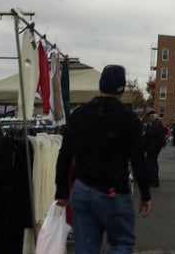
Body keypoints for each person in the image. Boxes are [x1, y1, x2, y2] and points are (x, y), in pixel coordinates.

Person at [54, 65, 152, 253]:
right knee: (121, 243)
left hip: (82, 187)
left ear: (100, 86)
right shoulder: (129, 120)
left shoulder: (79, 114)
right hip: (113, 190)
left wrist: (62, 189)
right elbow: (138, 160)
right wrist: (145, 194)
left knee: (86, 246)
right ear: (122, 89)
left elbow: (65, 153)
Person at [145, 110, 166, 187]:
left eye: (149, 118)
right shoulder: (157, 123)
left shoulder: (156, 124)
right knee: (152, 163)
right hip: (155, 146)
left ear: (152, 116)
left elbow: (153, 133)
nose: (149, 119)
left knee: (151, 163)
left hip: (154, 146)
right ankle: (153, 179)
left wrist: (147, 132)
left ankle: (154, 180)